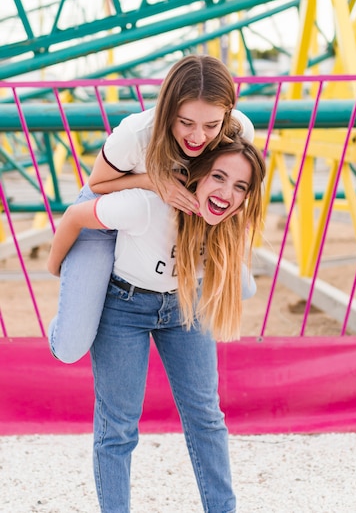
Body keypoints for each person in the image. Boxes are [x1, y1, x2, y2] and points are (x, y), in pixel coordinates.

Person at [47, 137, 266, 513]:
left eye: (240, 187)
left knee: (207, 418)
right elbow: (74, 215)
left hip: (185, 304)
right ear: (198, 175)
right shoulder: (147, 205)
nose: (227, 192)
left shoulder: (226, 223)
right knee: (118, 426)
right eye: (218, 177)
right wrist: (56, 269)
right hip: (124, 305)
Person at [48, 54, 255, 363]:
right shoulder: (136, 134)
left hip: (159, 217)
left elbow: (238, 185)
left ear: (226, 116)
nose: (198, 137)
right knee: (70, 346)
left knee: (245, 288)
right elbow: (98, 186)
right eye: (186, 123)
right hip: (106, 210)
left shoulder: (239, 132)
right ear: (168, 111)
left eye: (211, 125)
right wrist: (152, 180)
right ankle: (87, 309)